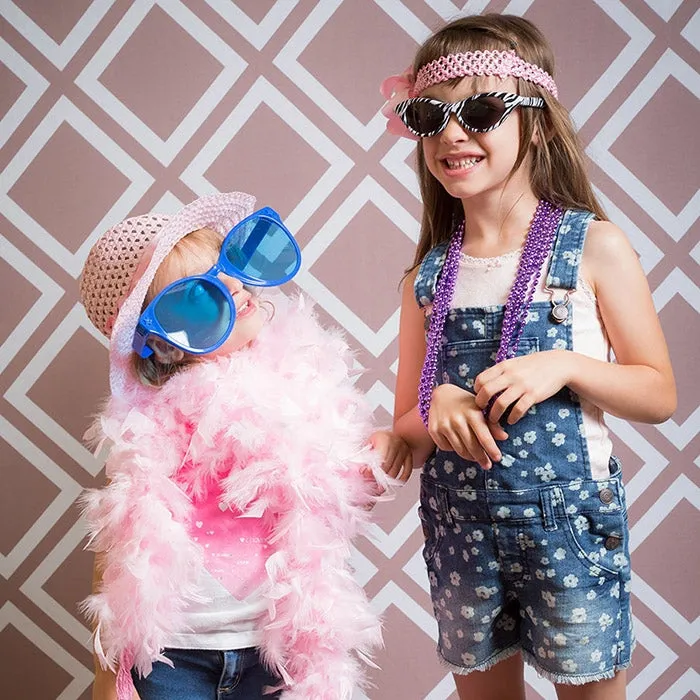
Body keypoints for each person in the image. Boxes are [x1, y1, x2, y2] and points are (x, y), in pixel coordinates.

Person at [382, 14, 676, 700]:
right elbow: (408, 431)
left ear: (536, 123)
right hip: (462, 537)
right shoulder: (425, 277)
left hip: (567, 527)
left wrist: (566, 367)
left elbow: (658, 392)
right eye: (433, 115)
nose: (454, 134)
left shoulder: (593, 246)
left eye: (480, 110)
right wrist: (435, 407)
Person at [78, 192, 412, 700]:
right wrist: (106, 668)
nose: (234, 286)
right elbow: (120, 537)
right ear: (164, 341)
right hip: (173, 655)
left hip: (271, 649)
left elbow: (328, 492)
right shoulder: (149, 418)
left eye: (230, 265)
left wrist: (383, 452)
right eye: (199, 294)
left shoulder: (299, 384)